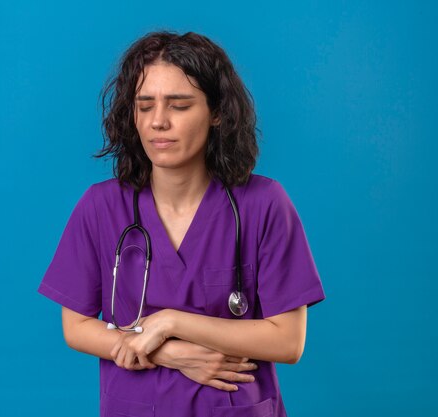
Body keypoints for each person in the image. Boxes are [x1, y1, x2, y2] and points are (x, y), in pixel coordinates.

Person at [37, 30, 326, 417]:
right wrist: (172, 353)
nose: (158, 122)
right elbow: (76, 326)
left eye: (179, 105)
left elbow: (288, 341)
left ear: (217, 112)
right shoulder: (101, 207)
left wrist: (171, 321)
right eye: (144, 105)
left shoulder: (264, 204)